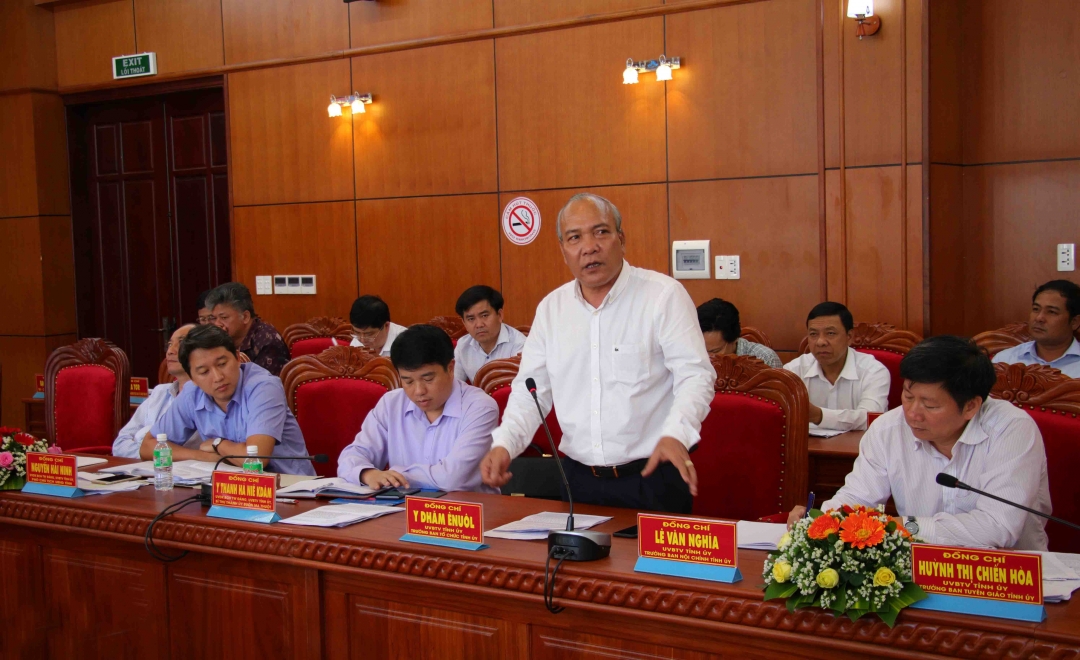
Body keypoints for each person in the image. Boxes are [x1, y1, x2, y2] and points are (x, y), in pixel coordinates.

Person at [479, 193, 716, 513]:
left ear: (621, 239)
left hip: (654, 475)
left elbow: (696, 376)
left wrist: (677, 434)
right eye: (574, 237)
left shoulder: (662, 296)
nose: (589, 247)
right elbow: (530, 391)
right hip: (578, 481)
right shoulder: (552, 310)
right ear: (563, 250)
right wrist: (506, 443)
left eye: (601, 232)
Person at [787, 336, 1050, 551]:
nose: (912, 413)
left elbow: (998, 527)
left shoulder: (1011, 430)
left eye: (930, 405)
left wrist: (903, 526)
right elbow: (857, 496)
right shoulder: (888, 429)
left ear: (971, 406)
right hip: (916, 571)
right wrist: (824, 518)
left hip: (1012, 576)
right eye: (908, 396)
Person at [337, 325, 499, 493]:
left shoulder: (480, 407)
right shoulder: (391, 404)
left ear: (450, 369)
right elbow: (352, 456)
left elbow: (452, 478)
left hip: (466, 507)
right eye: (408, 381)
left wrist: (395, 475)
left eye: (428, 379)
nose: (419, 391)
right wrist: (367, 473)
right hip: (402, 507)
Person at [143, 324, 315, 475]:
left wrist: (218, 444)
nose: (218, 377)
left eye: (222, 364)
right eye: (204, 372)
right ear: (192, 378)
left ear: (237, 357)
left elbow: (256, 459)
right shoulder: (191, 393)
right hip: (230, 488)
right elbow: (148, 447)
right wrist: (202, 456)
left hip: (289, 488)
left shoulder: (263, 387)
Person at [784, 302, 889, 432]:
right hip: (808, 444)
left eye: (830, 333)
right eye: (813, 334)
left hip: (859, 444)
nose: (820, 342)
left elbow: (870, 418)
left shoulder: (873, 371)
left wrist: (819, 416)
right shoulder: (794, 370)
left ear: (849, 337)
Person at [113, 324, 201, 458]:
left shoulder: (207, 396)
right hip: (146, 467)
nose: (170, 351)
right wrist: (149, 451)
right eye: (170, 344)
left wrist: (147, 447)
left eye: (181, 343)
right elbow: (120, 445)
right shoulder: (159, 392)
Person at [993, 279, 1080, 378]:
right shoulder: (1005, 360)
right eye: (1036, 309)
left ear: (1074, 322)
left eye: (1052, 312)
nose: (1039, 318)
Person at [206, 282, 289, 376]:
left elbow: (266, 383)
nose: (217, 324)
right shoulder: (221, 338)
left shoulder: (267, 341)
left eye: (224, 317)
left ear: (245, 317)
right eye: (214, 318)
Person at [453, 285, 527, 383]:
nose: (479, 325)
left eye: (484, 316)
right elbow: (456, 385)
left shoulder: (519, 346)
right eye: (471, 319)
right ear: (464, 323)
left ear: (500, 315)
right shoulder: (463, 345)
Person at [696, 298, 781, 368]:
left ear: (735, 338)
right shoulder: (691, 355)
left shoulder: (765, 358)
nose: (707, 358)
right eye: (702, 350)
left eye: (715, 351)